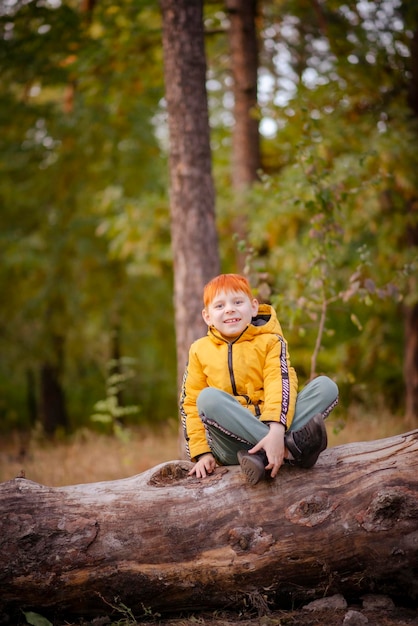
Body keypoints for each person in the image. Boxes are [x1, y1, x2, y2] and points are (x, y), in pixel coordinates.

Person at [179, 273, 339, 485]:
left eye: (237, 302)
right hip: (230, 445)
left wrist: (275, 430)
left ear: (253, 307)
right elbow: (189, 405)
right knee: (207, 399)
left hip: (273, 426)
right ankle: (291, 450)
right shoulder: (199, 350)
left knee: (326, 388)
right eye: (219, 306)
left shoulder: (270, 342)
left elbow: (280, 384)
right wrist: (202, 453)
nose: (229, 309)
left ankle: (264, 455)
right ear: (207, 316)